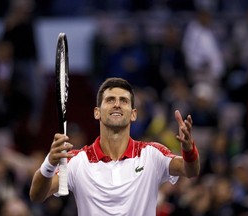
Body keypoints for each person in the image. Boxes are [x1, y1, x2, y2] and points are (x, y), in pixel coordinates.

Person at [29, 77, 200, 215]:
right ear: (97, 112)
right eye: (110, 100)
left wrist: (188, 149)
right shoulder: (76, 161)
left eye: (124, 101)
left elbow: (190, 170)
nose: (117, 104)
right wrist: (49, 163)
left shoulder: (152, 154)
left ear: (133, 114)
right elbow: (37, 195)